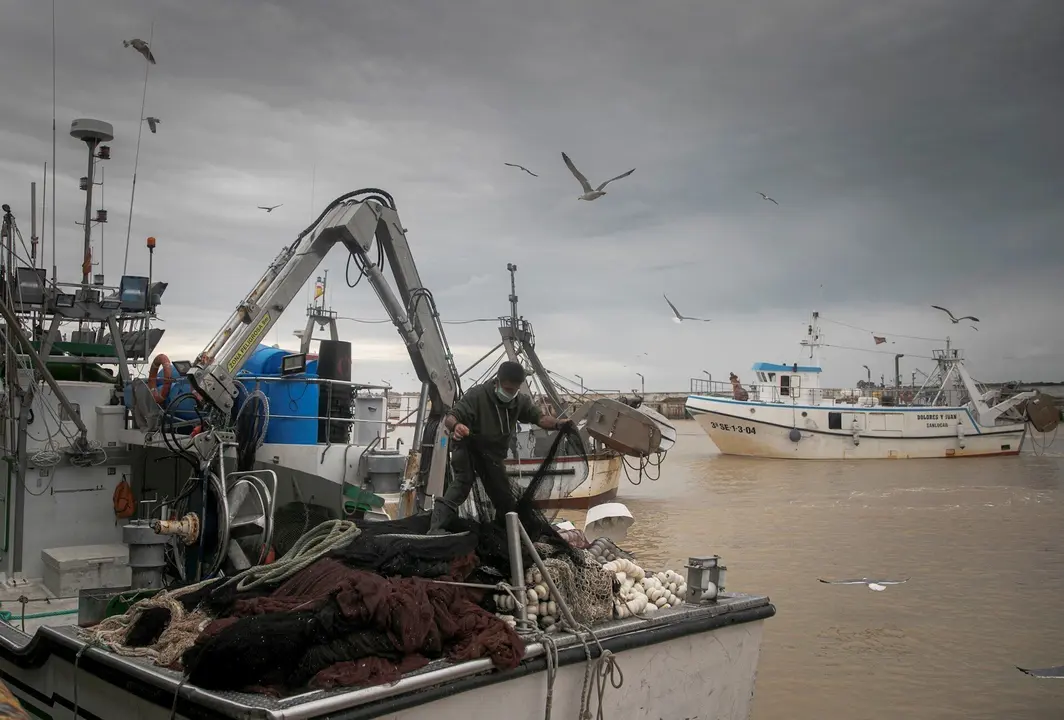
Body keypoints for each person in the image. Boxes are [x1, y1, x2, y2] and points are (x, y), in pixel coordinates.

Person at [428, 361, 571, 534]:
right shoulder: (478, 395)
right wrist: (457, 426)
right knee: (462, 483)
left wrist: (557, 424)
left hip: (492, 456)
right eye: (507, 389)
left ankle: (503, 532)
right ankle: (436, 529)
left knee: (503, 496)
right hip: (467, 448)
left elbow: (539, 419)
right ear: (497, 382)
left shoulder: (519, 401)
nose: (510, 393)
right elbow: (451, 417)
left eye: (514, 390)